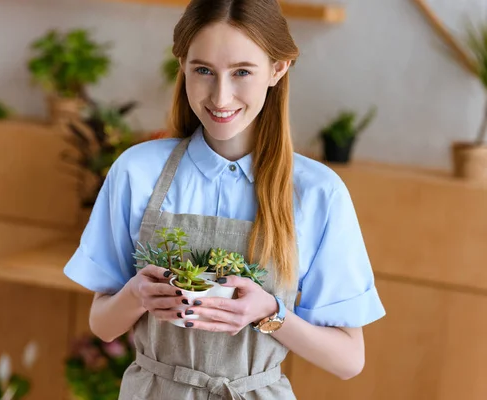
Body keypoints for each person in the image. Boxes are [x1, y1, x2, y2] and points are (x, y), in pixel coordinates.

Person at [64, 0, 386, 398]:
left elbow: (349, 359)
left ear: (277, 69)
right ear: (182, 65)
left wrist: (270, 313)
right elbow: (103, 324)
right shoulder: (136, 171)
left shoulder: (319, 192)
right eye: (203, 70)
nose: (220, 96)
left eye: (242, 72)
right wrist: (137, 295)